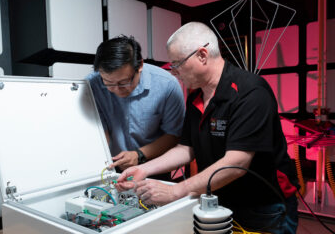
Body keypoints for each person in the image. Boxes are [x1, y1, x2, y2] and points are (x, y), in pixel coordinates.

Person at [115, 22, 299, 234]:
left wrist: (176, 191)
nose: (174, 72)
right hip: (221, 199)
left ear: (202, 55)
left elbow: (236, 162)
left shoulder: (251, 92)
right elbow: (186, 148)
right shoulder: (196, 96)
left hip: (263, 206)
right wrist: (144, 169)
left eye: (177, 64)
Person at [86, 35, 185, 180]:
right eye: (108, 83)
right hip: (112, 169)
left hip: (154, 168)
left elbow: (173, 135)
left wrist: (139, 155)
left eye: (124, 82)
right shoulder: (91, 84)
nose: (116, 89)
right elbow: (99, 130)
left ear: (140, 66)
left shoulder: (167, 85)